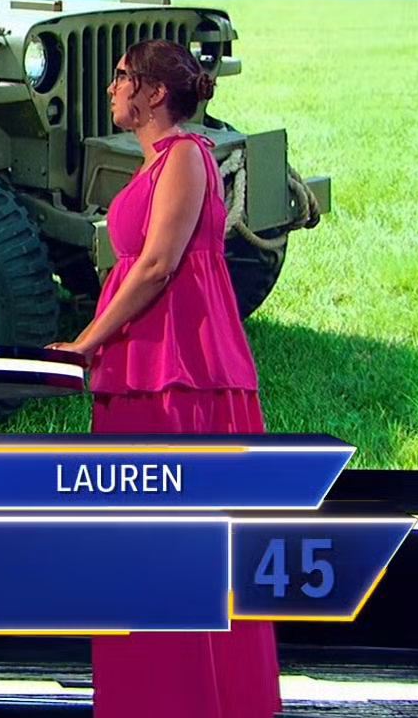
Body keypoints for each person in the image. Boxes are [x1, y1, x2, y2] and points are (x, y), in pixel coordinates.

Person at [48, 38, 282, 718]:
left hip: (178, 372)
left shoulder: (184, 155)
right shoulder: (157, 161)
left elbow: (158, 265)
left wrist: (86, 342)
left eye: (122, 77)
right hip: (145, 369)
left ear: (153, 93)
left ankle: (194, 699)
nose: (112, 88)